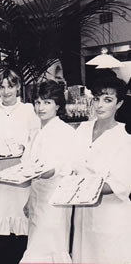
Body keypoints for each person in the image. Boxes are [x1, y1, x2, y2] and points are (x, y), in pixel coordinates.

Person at [0, 69, 40, 264]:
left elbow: (36, 140)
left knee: (20, 225)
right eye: (2, 86)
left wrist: (24, 148)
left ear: (18, 87)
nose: (6, 91)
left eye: (10, 86)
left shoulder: (29, 110)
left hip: (21, 176)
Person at [72, 76, 131, 264]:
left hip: (111, 216)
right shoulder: (82, 129)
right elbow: (72, 165)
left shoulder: (124, 138)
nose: (99, 105)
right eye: (96, 98)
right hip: (83, 215)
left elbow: (121, 182)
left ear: (119, 103)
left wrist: (80, 187)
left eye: (107, 100)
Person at [20, 80, 75, 263]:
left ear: (58, 105)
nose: (41, 107)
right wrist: (29, 200)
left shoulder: (64, 131)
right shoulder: (38, 132)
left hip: (55, 202)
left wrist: (32, 172)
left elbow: (56, 169)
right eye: (37, 102)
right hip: (38, 199)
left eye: (47, 102)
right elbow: (32, 167)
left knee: (48, 251)